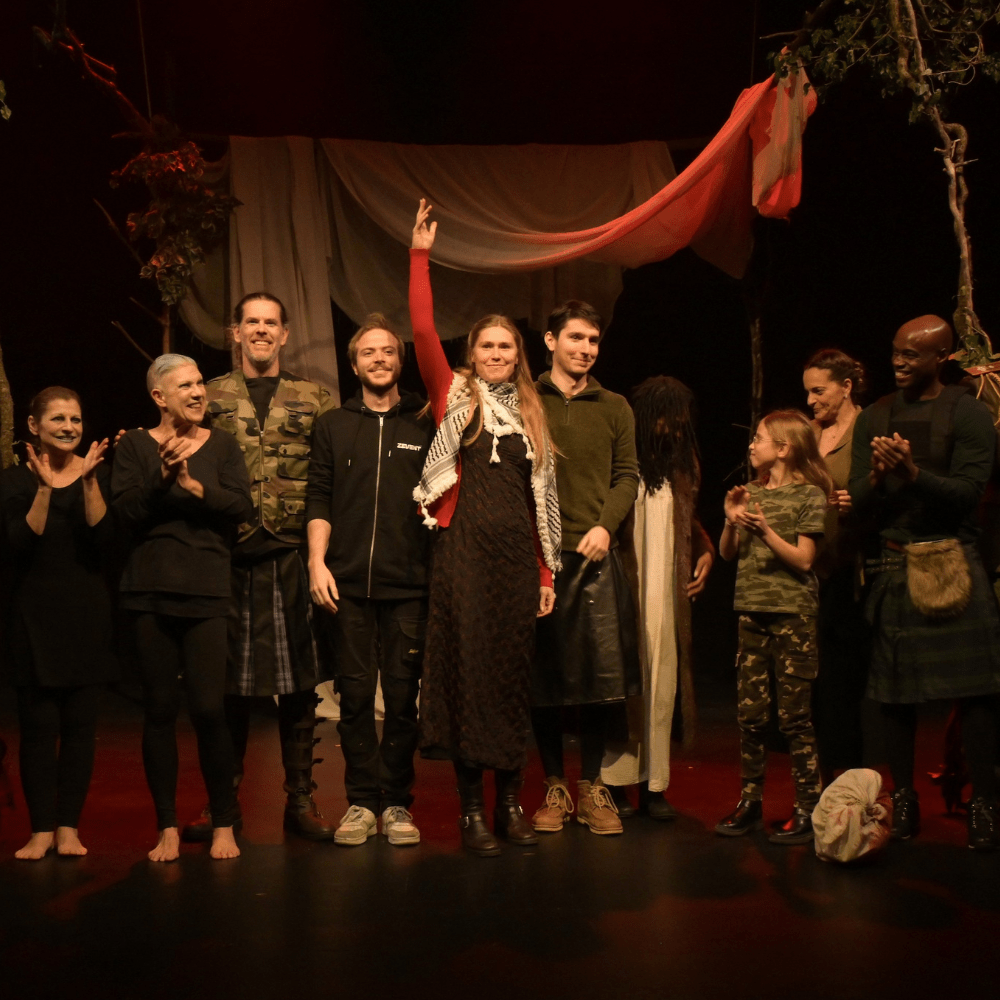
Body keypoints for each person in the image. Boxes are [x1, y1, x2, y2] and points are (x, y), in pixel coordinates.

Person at [409, 199, 560, 857]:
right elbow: (419, 330)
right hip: (463, 554)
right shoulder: (455, 398)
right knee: (469, 678)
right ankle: (471, 812)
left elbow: (542, 504)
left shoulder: (532, 411)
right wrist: (419, 256)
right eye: (486, 345)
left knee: (511, 678)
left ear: (517, 355)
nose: (496, 353)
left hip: (513, 562)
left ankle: (512, 808)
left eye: (506, 346)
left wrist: (546, 570)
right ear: (471, 353)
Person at [182, 293, 337, 842]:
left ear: (285, 334)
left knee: (298, 684)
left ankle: (301, 801)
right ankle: (224, 805)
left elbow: (327, 477)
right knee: (227, 686)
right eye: (252, 323)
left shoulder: (313, 397)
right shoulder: (210, 394)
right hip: (226, 553)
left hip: (290, 554)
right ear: (235, 333)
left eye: (272, 323)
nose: (262, 331)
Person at [848, 315, 1000, 851]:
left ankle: (985, 803)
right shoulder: (875, 417)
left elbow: (967, 494)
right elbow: (857, 507)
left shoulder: (970, 414)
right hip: (895, 564)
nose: (899, 361)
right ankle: (906, 800)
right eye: (895, 351)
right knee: (894, 697)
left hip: (953, 560)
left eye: (912, 354)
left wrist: (914, 476)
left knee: (978, 693)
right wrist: (876, 478)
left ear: (942, 358)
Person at [113, 355, 252, 861]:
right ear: (159, 397)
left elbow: (243, 508)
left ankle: (222, 823)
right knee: (159, 711)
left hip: (208, 592)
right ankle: (167, 827)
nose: (198, 392)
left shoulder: (223, 446)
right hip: (149, 592)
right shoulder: (133, 445)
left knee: (210, 710)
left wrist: (195, 486)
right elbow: (123, 512)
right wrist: (160, 478)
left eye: (200, 383)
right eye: (186, 385)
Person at [306, 314, 434, 847]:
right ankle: (361, 801)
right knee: (355, 698)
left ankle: (398, 804)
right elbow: (319, 495)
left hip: (409, 586)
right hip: (348, 585)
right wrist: (317, 562)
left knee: (403, 700)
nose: (379, 360)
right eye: (368, 353)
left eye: (388, 352)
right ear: (354, 363)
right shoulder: (334, 424)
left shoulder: (426, 423)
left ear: (400, 361)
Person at [530, 301, 641, 837]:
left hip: (595, 555)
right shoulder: (526, 398)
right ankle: (554, 783)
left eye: (593, 340)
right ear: (551, 341)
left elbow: (627, 475)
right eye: (576, 338)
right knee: (544, 678)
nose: (586, 349)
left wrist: (606, 526)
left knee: (601, 678)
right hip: (542, 558)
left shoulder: (614, 405)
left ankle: (593, 785)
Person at [1, 388, 114, 859]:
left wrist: (86, 483)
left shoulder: (97, 476)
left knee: (80, 727)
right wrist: (46, 489)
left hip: (86, 616)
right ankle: (41, 829)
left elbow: (105, 544)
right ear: (34, 427)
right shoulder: (11, 482)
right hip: (33, 618)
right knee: (39, 727)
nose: (69, 427)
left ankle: (69, 827)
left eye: (76, 419)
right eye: (58, 420)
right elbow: (16, 547)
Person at [600, 376, 714, 819]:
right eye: (665, 417)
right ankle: (613, 784)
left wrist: (704, 551)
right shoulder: (622, 461)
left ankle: (654, 784)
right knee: (624, 684)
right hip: (626, 587)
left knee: (662, 684)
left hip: (666, 593)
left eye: (680, 418)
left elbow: (689, 519)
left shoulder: (685, 465)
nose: (674, 427)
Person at [716, 410, 830, 844]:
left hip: (793, 616)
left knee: (795, 717)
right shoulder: (752, 493)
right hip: (752, 613)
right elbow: (728, 555)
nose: (751, 445)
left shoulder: (809, 495)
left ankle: (807, 804)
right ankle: (751, 799)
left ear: (783, 448)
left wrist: (764, 531)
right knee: (750, 716)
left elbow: (804, 560)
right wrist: (731, 518)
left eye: (758, 438)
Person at [803, 350, 869, 782]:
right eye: (807, 391)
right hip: (806, 568)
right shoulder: (808, 433)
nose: (810, 400)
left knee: (844, 679)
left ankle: (850, 783)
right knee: (810, 681)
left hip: (849, 568)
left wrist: (856, 500)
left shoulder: (867, 427)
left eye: (818, 390)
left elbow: (886, 487)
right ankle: (816, 781)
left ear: (846, 387)